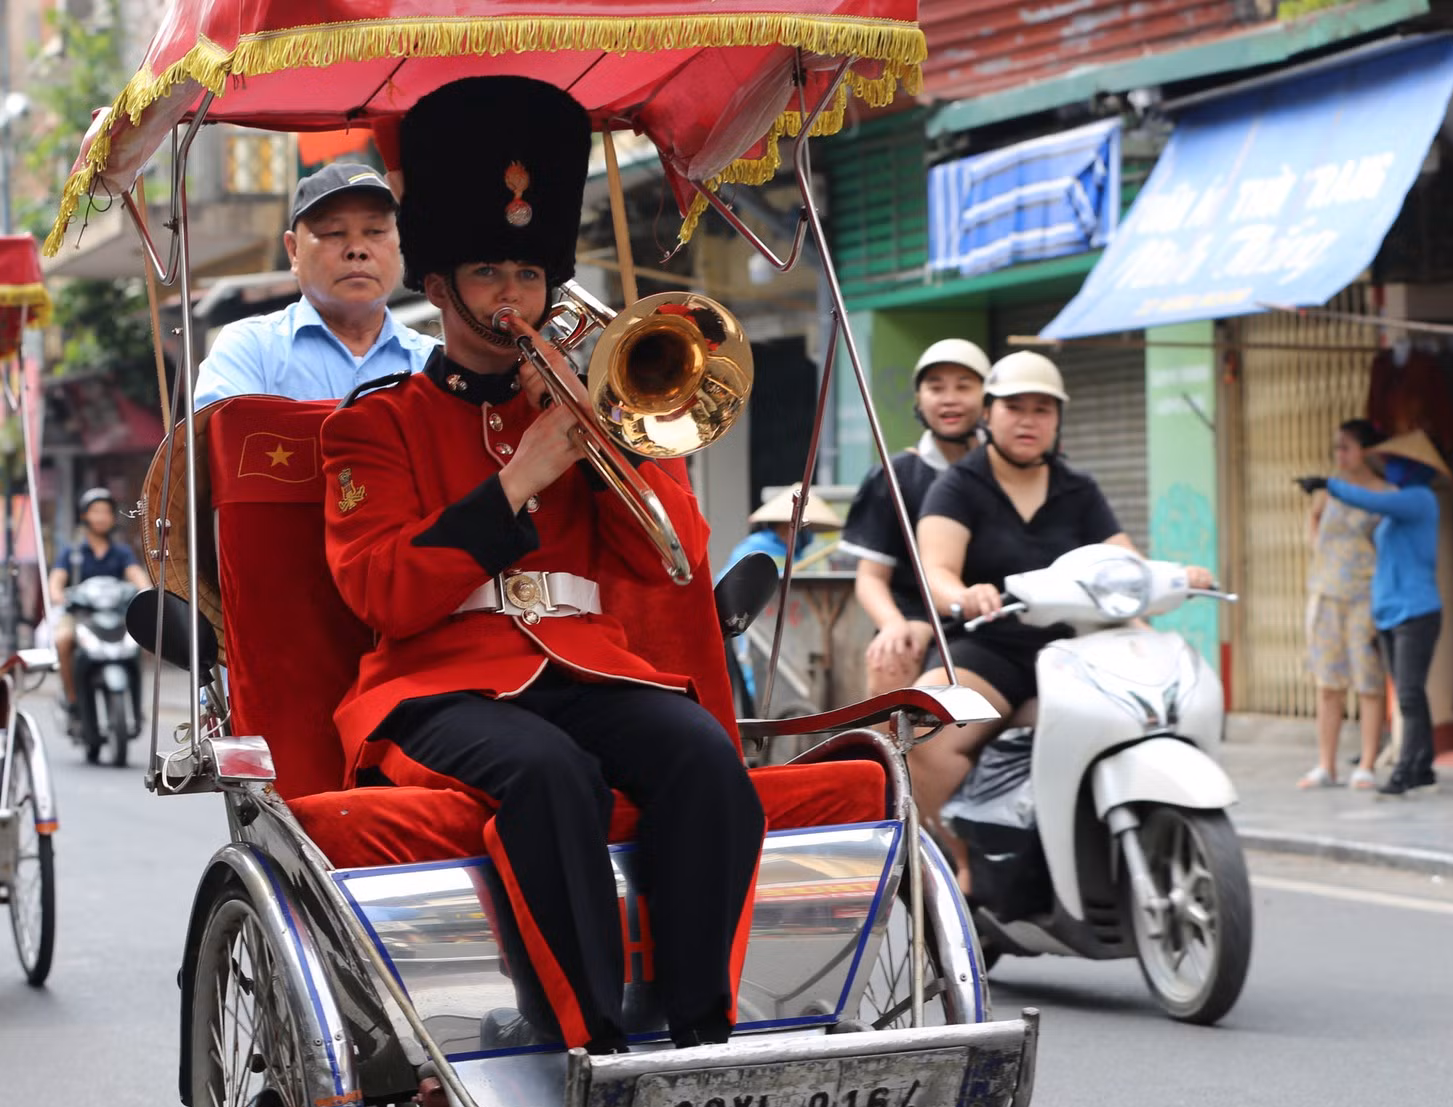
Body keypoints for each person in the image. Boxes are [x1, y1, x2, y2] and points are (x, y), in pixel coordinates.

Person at [319, 75, 764, 1054]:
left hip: (581, 666)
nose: (511, 298)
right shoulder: (373, 426)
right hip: (433, 690)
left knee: (701, 756)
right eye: (487, 274)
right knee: (549, 773)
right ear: (436, 288)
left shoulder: (580, 407)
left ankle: (697, 1031)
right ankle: (587, 1043)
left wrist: (615, 449)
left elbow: (674, 566)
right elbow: (383, 592)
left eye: (528, 275)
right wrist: (517, 478)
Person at [910, 351, 1214, 892]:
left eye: (1043, 409)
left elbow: (1126, 565)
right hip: (988, 650)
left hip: (1074, 652)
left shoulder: (1079, 488)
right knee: (925, 735)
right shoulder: (958, 486)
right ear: (990, 414)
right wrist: (964, 595)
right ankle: (955, 865)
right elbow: (937, 570)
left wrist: (1173, 577)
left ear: (1057, 420)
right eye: (1015, 407)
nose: (1029, 420)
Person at [194, 162, 438, 407]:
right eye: (334, 232)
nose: (357, 250)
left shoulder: (432, 363)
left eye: (375, 231)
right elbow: (226, 440)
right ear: (294, 251)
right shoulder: (251, 351)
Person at [839, 339, 989, 697]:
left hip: (997, 611)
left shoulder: (1009, 469)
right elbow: (871, 577)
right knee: (892, 659)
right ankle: (889, 754)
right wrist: (893, 625)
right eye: (936, 388)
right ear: (919, 400)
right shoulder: (895, 475)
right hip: (920, 618)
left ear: (989, 398)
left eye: (964, 386)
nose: (949, 398)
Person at [1323, 429, 1449, 797]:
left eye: (1397, 464)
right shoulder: (1398, 511)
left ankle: (1406, 770)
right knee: (1411, 694)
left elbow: (1371, 502)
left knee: (1408, 695)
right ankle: (1423, 767)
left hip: (1417, 611)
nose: (1390, 469)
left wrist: (1330, 486)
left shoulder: (1419, 500)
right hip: (1390, 613)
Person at [1295, 420, 1388, 791]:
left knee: (1368, 681)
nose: (1340, 454)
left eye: (1346, 447)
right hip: (1325, 593)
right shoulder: (1329, 490)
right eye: (1337, 447)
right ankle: (1326, 764)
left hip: (1364, 595)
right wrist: (1317, 546)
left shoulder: (1384, 493)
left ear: (1365, 450)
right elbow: (1314, 519)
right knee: (1327, 684)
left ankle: (1366, 763)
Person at [719, 486, 842, 708]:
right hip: (756, 633)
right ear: (788, 526)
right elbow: (731, 592)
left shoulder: (801, 556)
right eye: (806, 528)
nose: (809, 534)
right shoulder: (755, 550)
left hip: (796, 637)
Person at [48, 486, 152, 706]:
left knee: (138, 644)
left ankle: (135, 700)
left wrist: (146, 591)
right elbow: (56, 580)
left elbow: (136, 574)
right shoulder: (72, 551)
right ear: (85, 515)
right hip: (79, 616)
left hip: (115, 616)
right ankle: (71, 695)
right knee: (63, 640)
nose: (101, 517)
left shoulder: (122, 551)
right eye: (95, 511)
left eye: (106, 512)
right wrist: (57, 595)